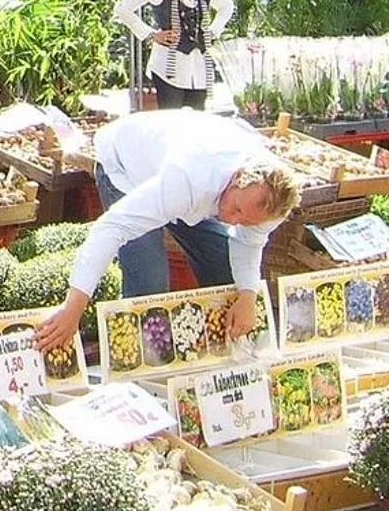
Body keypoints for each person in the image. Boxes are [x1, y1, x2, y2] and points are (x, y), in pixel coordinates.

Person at [34, 111, 303, 352]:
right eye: (236, 209)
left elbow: (248, 244)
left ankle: (227, 358)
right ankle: (140, 370)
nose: (234, 220)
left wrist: (247, 295)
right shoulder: (189, 179)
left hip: (183, 180)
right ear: (237, 178)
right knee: (149, 284)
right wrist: (73, 309)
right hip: (128, 168)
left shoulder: (273, 202)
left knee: (229, 274)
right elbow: (110, 228)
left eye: (246, 221)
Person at [112, 0, 235, 109]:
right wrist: (151, 34)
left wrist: (213, 30)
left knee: (198, 116)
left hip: (198, 67)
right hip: (168, 67)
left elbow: (227, 5)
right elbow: (122, 7)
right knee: (171, 117)